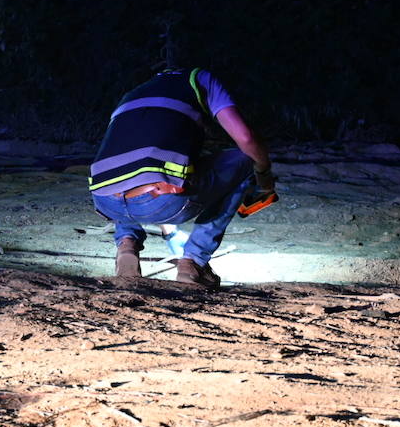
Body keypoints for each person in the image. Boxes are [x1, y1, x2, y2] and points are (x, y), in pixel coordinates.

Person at [88, 66, 275, 286]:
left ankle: (126, 246)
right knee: (245, 158)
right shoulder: (201, 79)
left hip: (105, 201)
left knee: (125, 171)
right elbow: (245, 138)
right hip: (159, 201)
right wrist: (264, 174)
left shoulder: (133, 94)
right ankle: (194, 262)